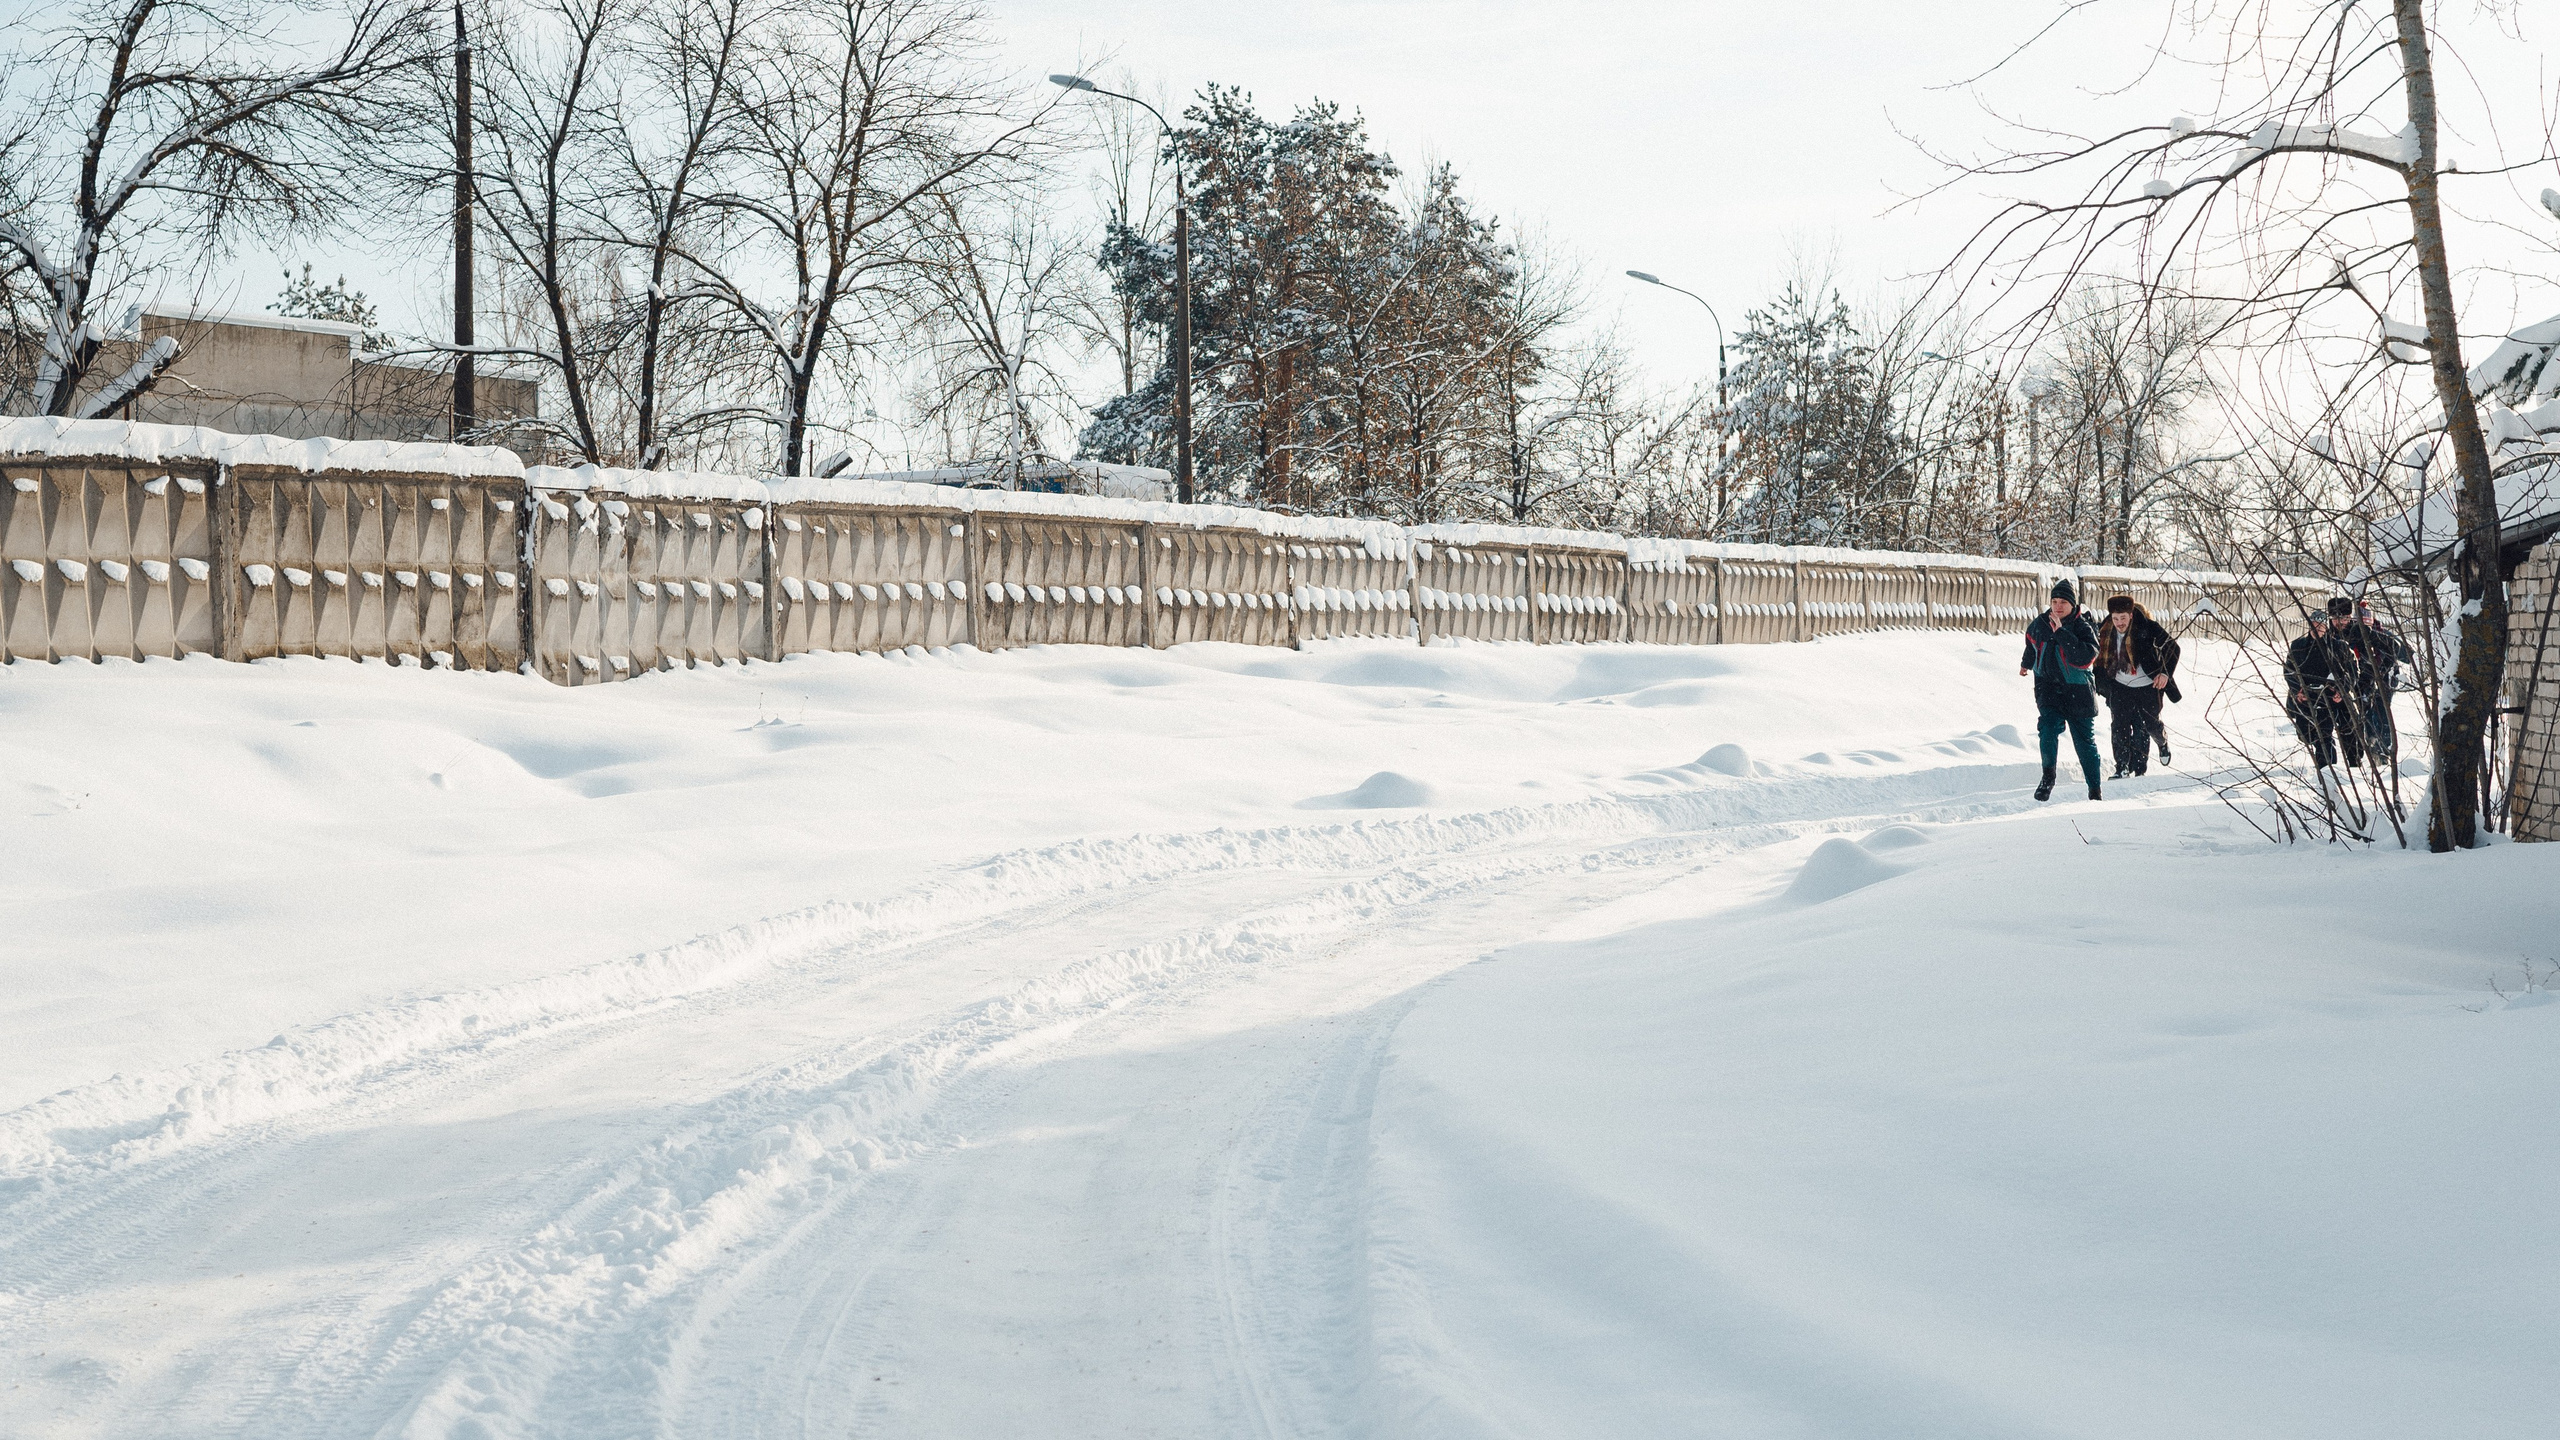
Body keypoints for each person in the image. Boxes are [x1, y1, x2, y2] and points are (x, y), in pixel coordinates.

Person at [2020, 578, 2104, 801]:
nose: (2057, 607)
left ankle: (2095, 789)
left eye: (2063, 603)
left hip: (2078, 692)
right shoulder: (2040, 623)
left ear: (2072, 605)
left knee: (2084, 743)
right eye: (2054, 601)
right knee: (2047, 729)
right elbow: (2031, 643)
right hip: (2048, 689)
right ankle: (2048, 778)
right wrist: (2026, 664)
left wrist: (2062, 633)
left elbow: (2085, 658)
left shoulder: (2083, 627)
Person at [2094, 595, 2177, 778]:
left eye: (2123, 618)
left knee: (2148, 725)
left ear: (2131, 615)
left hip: (2148, 685)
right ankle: (2122, 767)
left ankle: (2159, 745)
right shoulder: (2105, 630)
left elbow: (2172, 647)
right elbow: (2097, 655)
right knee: (2119, 725)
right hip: (2120, 685)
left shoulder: (2146, 627)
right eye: (2115, 618)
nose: (2119, 623)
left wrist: (2164, 673)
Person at [2283, 607, 2365, 774]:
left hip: (2335, 696)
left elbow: (2352, 671)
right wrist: (2297, 690)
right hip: (2307, 695)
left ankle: (2344, 768)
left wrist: (2342, 689)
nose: (2316, 629)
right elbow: (2289, 670)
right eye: (2313, 625)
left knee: (2347, 730)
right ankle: (2327, 770)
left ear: (2326, 627)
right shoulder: (2298, 646)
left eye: (2320, 625)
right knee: (2311, 734)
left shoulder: (2339, 647)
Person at [2350, 598, 2407, 766]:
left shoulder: (2381, 635)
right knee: (2365, 712)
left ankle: (2384, 749)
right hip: (2365, 679)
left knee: (2382, 712)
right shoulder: (2353, 636)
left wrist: (2383, 671)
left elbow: (2398, 654)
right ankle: (2370, 745)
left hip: (2385, 679)